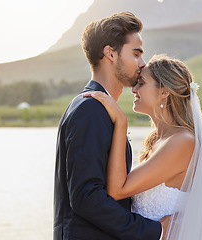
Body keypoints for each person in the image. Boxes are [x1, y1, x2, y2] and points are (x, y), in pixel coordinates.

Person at [53, 12, 165, 240]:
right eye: (136, 54)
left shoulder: (100, 108)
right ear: (110, 53)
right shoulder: (89, 109)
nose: (142, 63)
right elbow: (87, 198)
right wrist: (155, 231)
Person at [83, 54, 202, 239]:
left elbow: (117, 190)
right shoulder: (157, 140)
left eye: (141, 83)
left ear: (164, 92)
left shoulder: (183, 141)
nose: (134, 89)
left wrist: (121, 122)